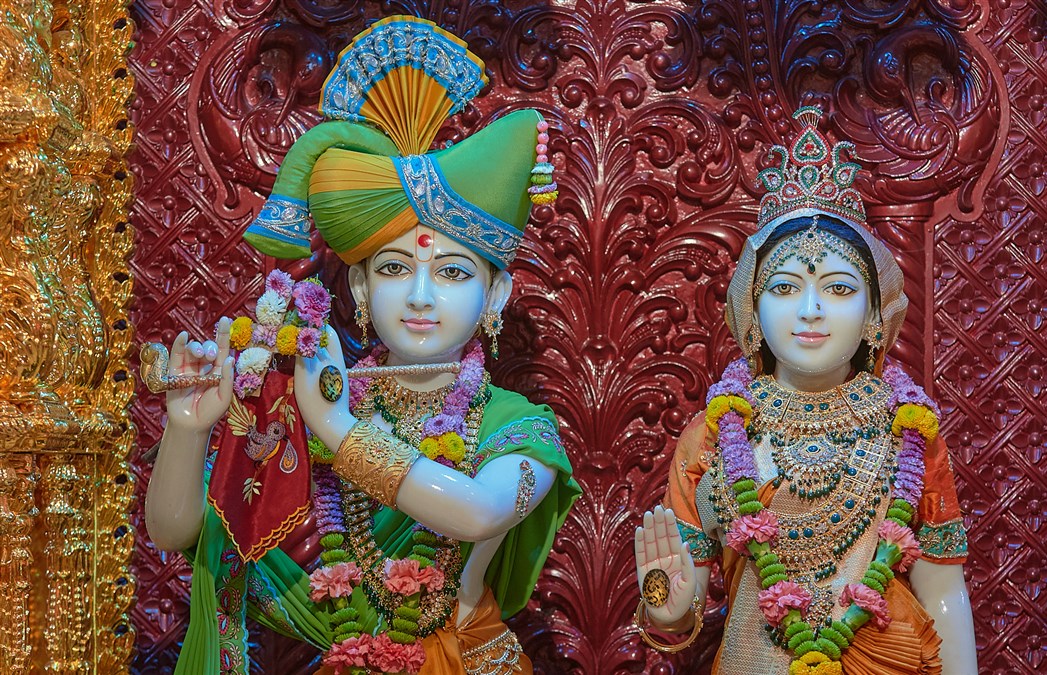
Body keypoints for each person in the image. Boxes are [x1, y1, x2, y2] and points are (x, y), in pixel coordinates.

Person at [144, 16, 579, 675]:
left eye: (453, 273)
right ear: (360, 290)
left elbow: (479, 511)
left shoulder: (515, 425)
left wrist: (337, 429)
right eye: (396, 269)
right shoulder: (314, 403)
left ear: (496, 296)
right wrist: (187, 431)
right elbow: (179, 532)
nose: (421, 296)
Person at [632, 107, 977, 675]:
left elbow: (943, 593)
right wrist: (667, 609)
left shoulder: (910, 434)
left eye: (838, 289)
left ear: (875, 316)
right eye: (785, 287)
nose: (811, 310)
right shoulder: (713, 437)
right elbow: (682, 601)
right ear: (752, 312)